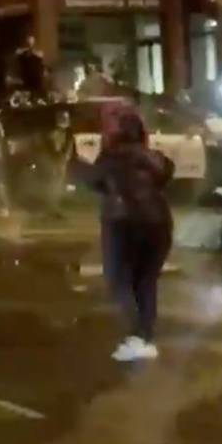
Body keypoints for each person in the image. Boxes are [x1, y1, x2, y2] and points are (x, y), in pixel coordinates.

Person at [84, 105, 174, 362]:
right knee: (146, 281)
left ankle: (136, 337)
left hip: (122, 223)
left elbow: (94, 181)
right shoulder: (155, 157)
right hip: (159, 222)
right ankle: (144, 337)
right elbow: (167, 174)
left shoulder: (110, 157)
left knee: (119, 280)